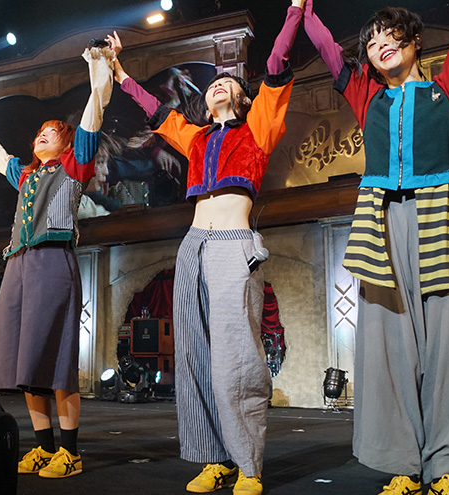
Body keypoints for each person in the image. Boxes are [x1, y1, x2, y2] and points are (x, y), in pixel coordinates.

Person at [301, 0, 449, 493]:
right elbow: (329, 50)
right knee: (389, 348)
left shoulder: (446, 88)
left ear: (414, 41)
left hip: (441, 220)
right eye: (370, 41)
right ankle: (402, 467)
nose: (379, 44)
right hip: (381, 224)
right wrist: (304, 13)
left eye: (390, 34)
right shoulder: (367, 95)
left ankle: (442, 469)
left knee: (445, 347)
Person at [107, 1, 301, 492]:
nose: (218, 85)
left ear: (241, 96)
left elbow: (276, 68)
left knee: (237, 356)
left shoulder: (258, 127)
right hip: (192, 245)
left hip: (234, 243)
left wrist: (295, 12)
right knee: (193, 354)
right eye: (213, 84)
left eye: (228, 84)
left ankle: (249, 464)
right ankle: (214, 457)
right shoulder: (194, 137)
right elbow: (155, 109)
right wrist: (118, 71)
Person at [0, 44, 113, 479]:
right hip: (19, 266)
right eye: (39, 132)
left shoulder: (74, 167)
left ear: (65, 143)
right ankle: (43, 447)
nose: (41, 135)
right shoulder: (24, 175)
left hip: (51, 263)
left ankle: (71, 451)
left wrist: (99, 66)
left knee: (55, 359)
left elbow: (93, 114)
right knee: (27, 362)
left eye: (51, 131)